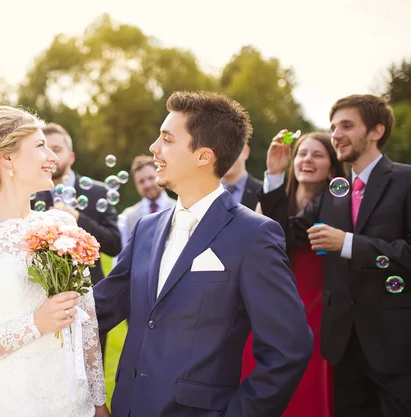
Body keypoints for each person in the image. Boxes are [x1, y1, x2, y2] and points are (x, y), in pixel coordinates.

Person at [94, 91, 313, 417]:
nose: (154, 148)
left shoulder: (253, 235)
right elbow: (96, 311)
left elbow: (288, 348)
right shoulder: (145, 229)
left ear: (203, 156)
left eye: (166, 139)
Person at [0, 106, 109, 416]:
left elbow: (87, 325)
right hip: (8, 403)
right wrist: (34, 324)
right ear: (7, 158)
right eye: (40, 145)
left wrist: (99, 402)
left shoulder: (62, 226)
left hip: (73, 403)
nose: (53, 158)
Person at [260, 94, 411, 417]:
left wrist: (348, 244)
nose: (336, 134)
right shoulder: (333, 193)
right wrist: (274, 175)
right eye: (333, 127)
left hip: (396, 344)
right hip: (341, 345)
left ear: (376, 131)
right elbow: (281, 236)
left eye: (347, 125)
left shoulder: (406, 180)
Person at [241, 131, 346, 417]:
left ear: (332, 169)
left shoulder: (338, 204)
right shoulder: (276, 199)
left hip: (315, 311)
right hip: (270, 307)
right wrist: (274, 173)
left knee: (306, 386)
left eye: (317, 154)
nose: (307, 160)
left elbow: (289, 235)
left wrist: (273, 180)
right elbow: (264, 243)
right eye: (302, 153)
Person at [31, 123, 122, 285]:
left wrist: (78, 218)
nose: (50, 156)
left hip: (91, 289)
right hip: (47, 293)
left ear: (71, 157)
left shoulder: (99, 192)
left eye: (57, 149)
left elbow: (115, 245)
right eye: (44, 150)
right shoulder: (31, 196)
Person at [118, 155, 176, 248]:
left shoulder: (180, 208)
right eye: (141, 182)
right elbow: (121, 255)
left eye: (151, 178)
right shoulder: (127, 217)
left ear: (160, 175)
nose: (147, 185)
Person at [220, 143, 263, 210]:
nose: (224, 157)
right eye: (219, 151)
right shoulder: (202, 193)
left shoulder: (264, 193)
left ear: (245, 152)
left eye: (230, 150)